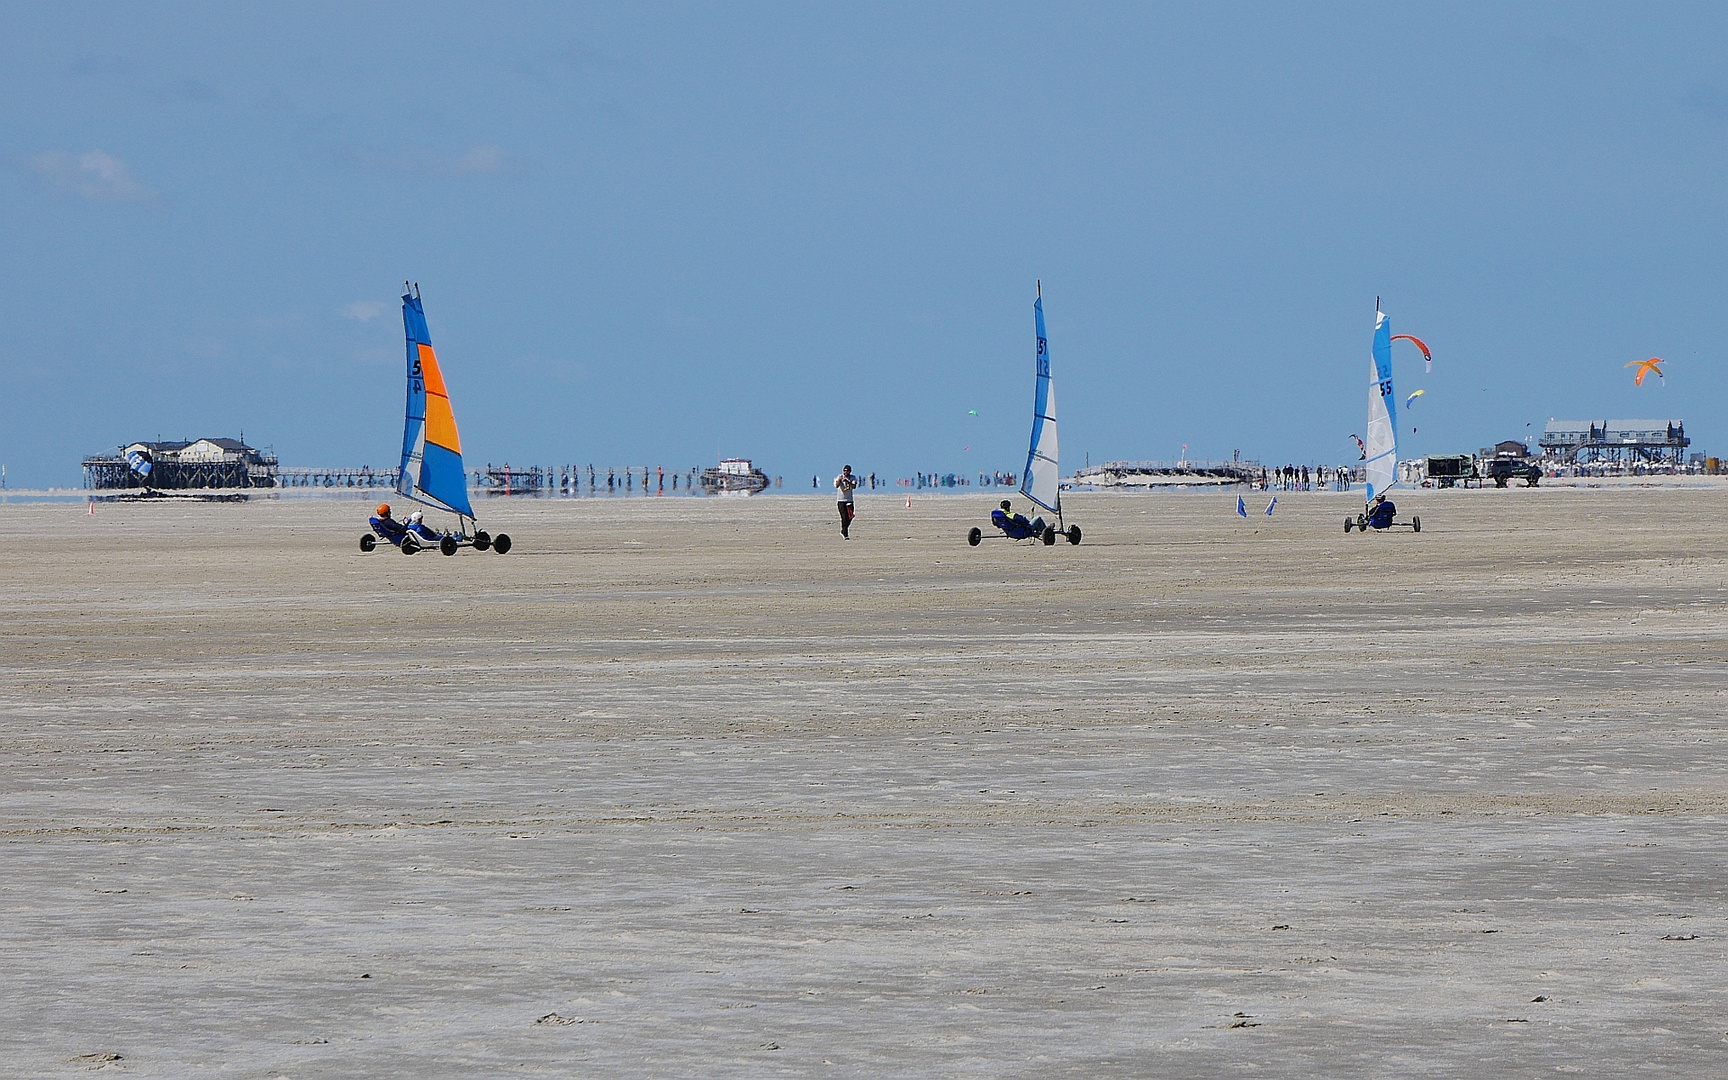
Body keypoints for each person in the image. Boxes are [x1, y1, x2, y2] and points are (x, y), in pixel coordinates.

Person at [834, 464, 859, 538]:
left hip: (849, 500)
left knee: (850, 516)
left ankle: (843, 530)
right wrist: (840, 480)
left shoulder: (853, 478)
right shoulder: (839, 476)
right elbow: (837, 485)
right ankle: (845, 534)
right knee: (844, 517)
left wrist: (848, 482)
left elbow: (853, 486)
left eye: (847, 471)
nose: (846, 472)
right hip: (841, 500)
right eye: (844, 471)